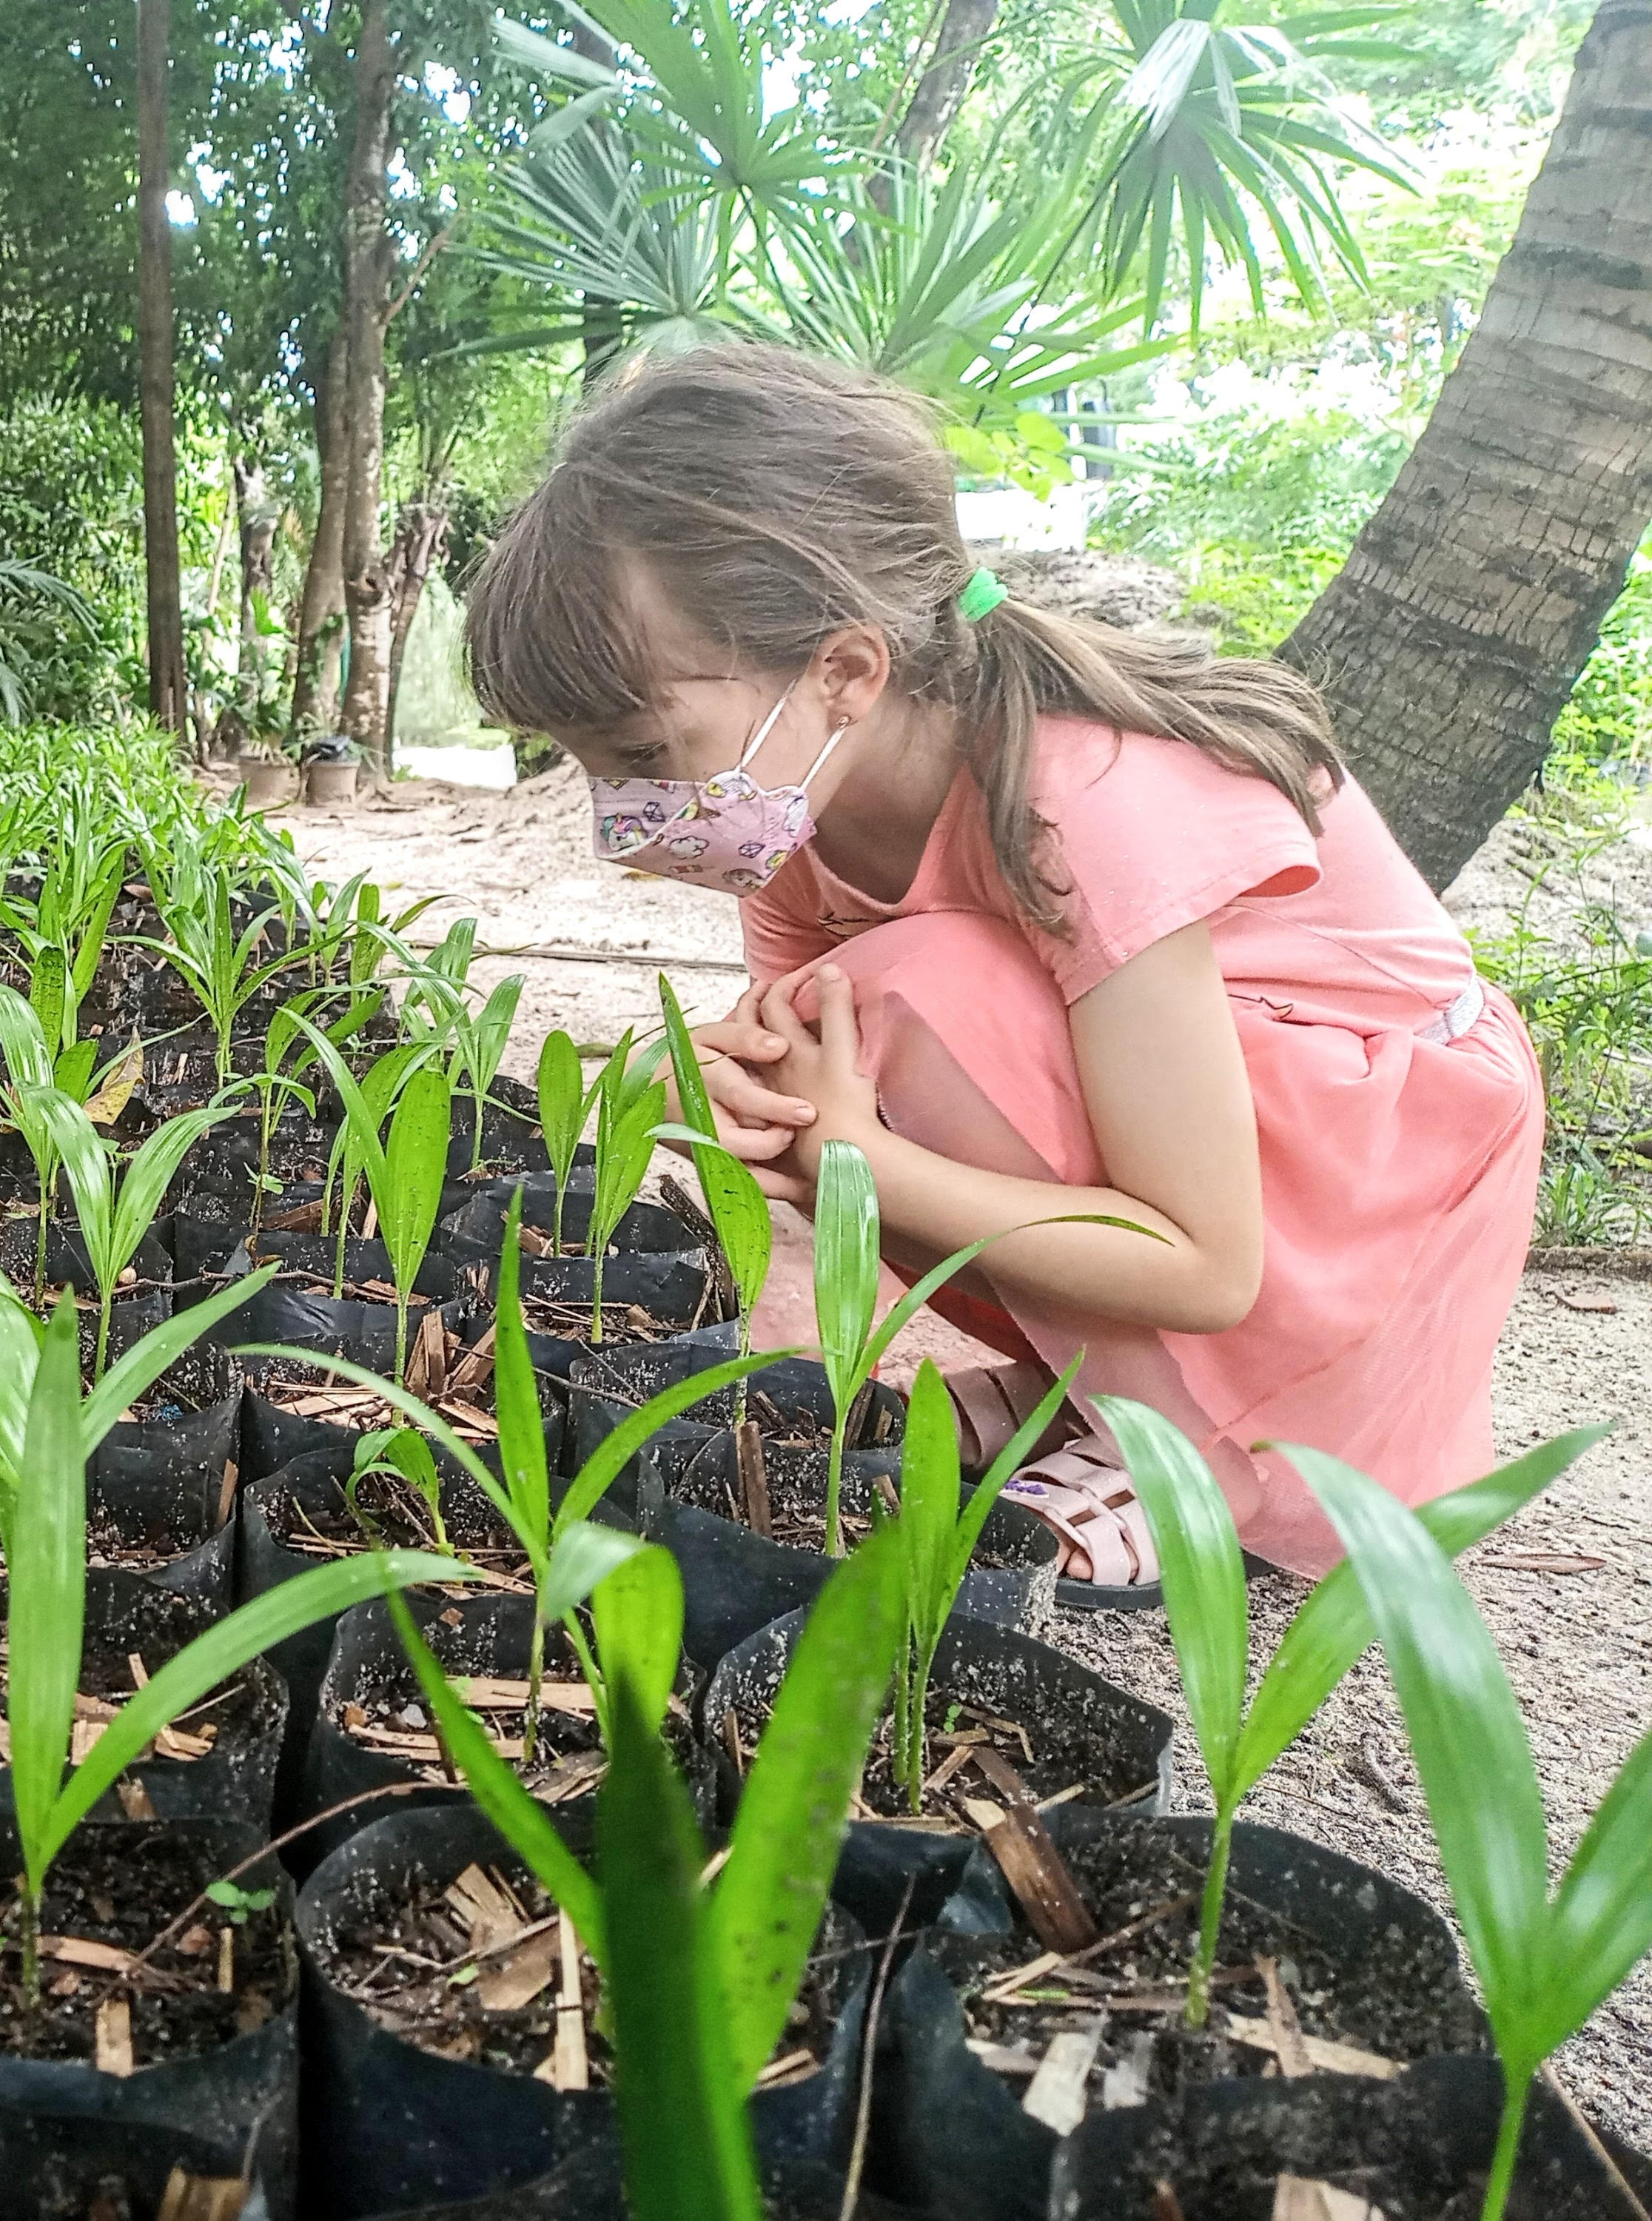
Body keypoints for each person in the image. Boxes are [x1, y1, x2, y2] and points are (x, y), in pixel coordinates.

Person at [463, 344, 1541, 1601]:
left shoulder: (1087, 809)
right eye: (592, 767)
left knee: (914, 1000)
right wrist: (744, 1086)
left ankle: (1195, 1456)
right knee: (855, 1029)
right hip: (1219, 1151)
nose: (624, 811)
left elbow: (1207, 1260)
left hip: (1364, 1174)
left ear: (846, 672)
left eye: (644, 751)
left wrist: (858, 1162)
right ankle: (1082, 1385)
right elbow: (819, 1067)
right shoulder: (803, 803)